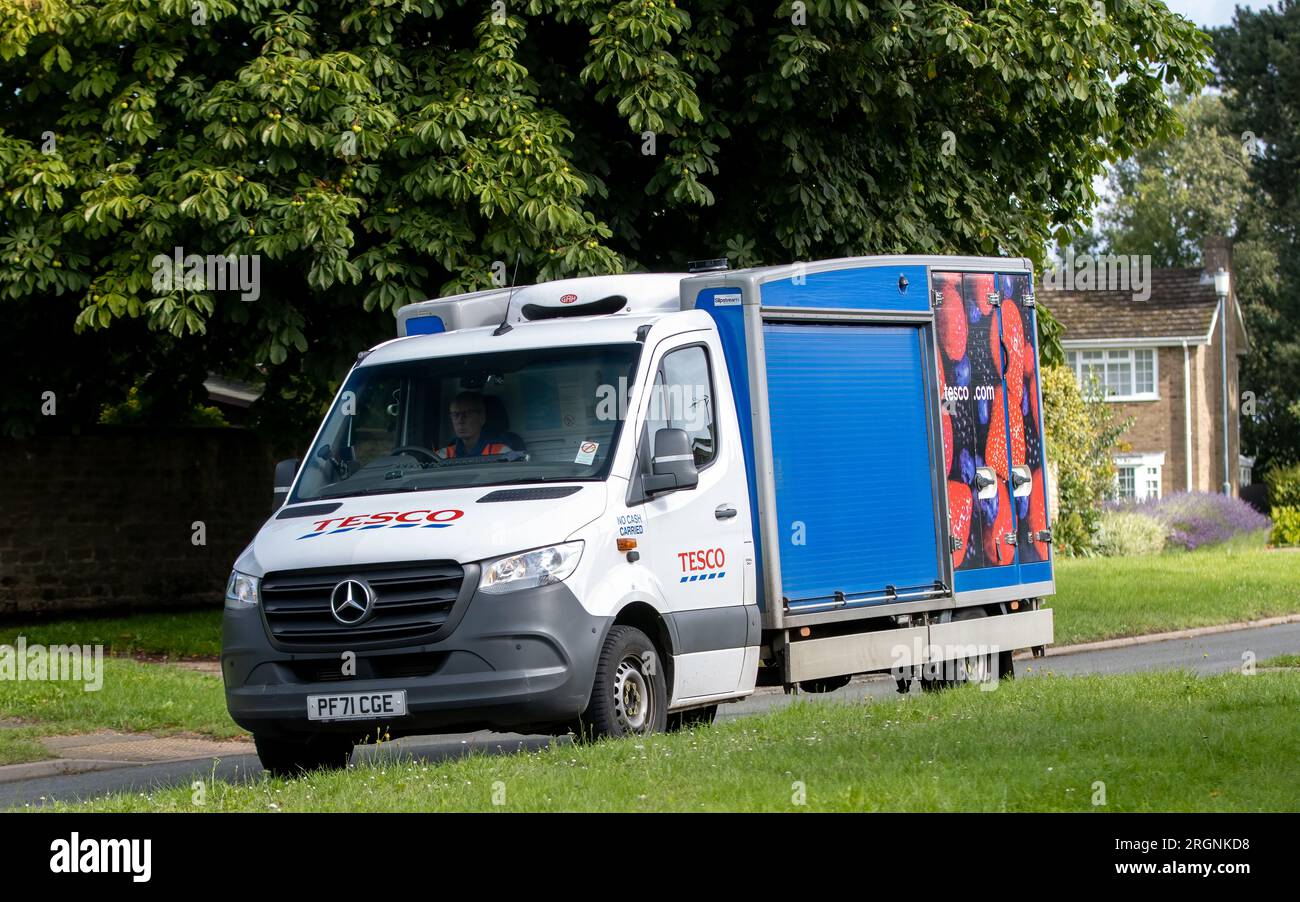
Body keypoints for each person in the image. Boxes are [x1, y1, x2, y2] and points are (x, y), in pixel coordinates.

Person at [436, 391, 513, 459]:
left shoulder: (502, 453)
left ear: (482, 418)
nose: (460, 420)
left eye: (467, 414)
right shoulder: (443, 456)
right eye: (455, 415)